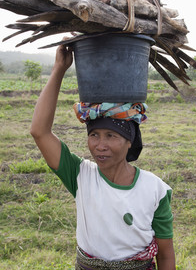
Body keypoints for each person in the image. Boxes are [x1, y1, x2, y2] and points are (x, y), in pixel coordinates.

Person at [30, 42, 176, 270]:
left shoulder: (155, 190)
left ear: (130, 141)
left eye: (111, 135)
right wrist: (59, 69)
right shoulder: (80, 176)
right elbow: (40, 132)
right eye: (94, 135)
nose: (100, 145)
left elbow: (165, 256)